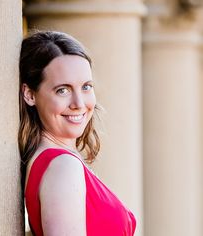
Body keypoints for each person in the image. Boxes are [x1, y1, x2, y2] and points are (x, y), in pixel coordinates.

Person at [18, 31, 136, 236]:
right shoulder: (63, 167)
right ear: (30, 94)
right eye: (62, 90)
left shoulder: (56, 163)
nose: (79, 104)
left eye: (86, 87)